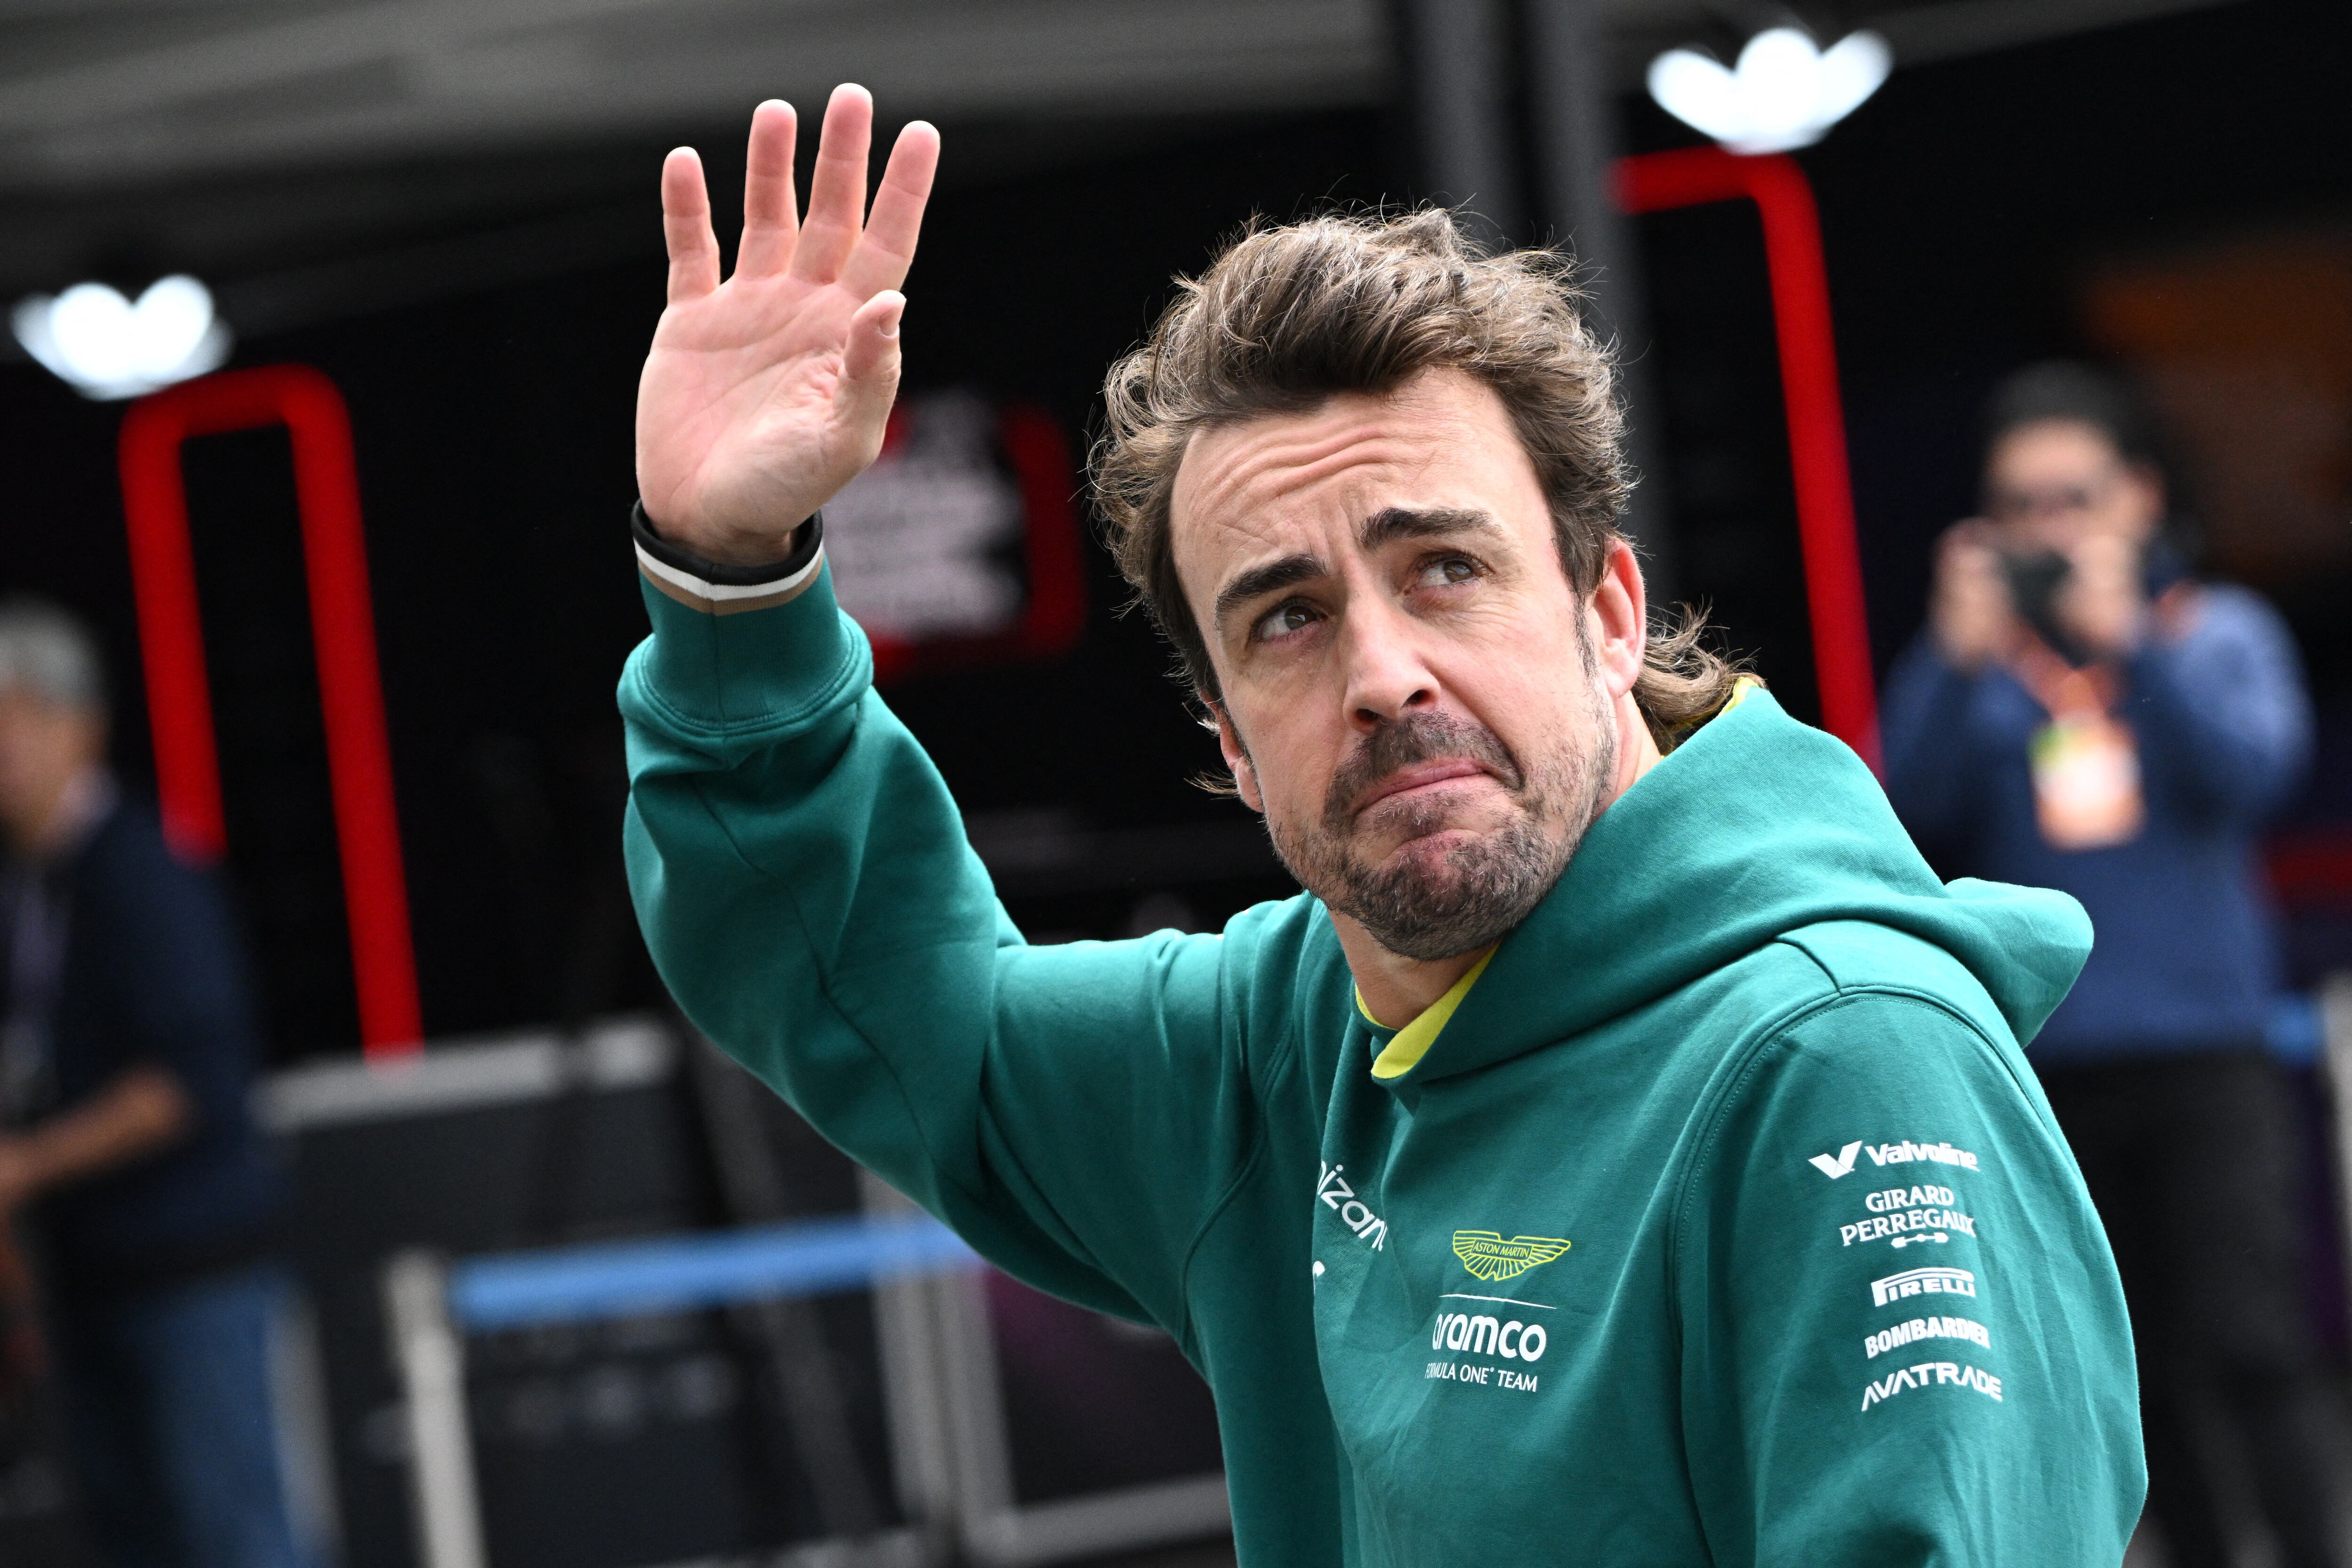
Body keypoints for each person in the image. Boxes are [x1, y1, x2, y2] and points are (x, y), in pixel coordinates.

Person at [620, 89, 2143, 1565]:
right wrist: (729, 573)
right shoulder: (1280, 1048)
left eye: (1444, 569)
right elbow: (889, 997)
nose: (1382, 671)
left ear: (1607, 611)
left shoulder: (1838, 1064)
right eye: (1286, 616)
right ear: (1227, 741)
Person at [1882, 364, 2341, 1568]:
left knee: (2252, 1343)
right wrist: (1946, 651)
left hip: (2210, 1054)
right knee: (2127, 1367)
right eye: (2019, 506)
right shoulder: (1981, 673)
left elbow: (2255, 772)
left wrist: (2130, 640)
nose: (2048, 528)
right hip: (2056, 1070)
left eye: (2071, 498)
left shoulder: (2213, 631)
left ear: (2136, 497)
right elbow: (1903, 814)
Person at [0, 601, 305, 1568]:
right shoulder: (30, 888)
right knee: (140, 1542)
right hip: (88, 1281)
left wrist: (24, 1166)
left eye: (10, 716)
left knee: (236, 1538)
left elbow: (189, 1084)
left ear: (76, 722)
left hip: (193, 1279)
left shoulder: (141, 867)